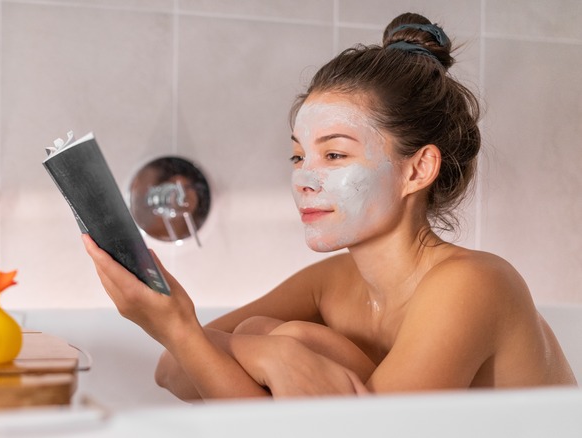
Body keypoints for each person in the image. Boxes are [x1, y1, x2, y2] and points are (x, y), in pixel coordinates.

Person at [82, 12, 577, 400]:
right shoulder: (334, 282)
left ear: (418, 169)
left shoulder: (473, 284)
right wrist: (264, 351)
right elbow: (171, 370)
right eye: (298, 156)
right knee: (273, 334)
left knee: (296, 337)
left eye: (335, 155)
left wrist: (192, 330)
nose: (304, 179)